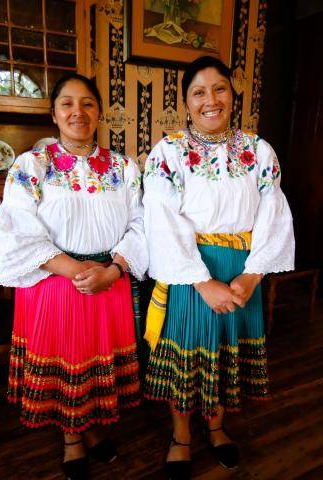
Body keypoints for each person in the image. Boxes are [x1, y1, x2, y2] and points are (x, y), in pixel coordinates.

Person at [0, 73, 148, 480]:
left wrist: (114, 270)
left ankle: (88, 428)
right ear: (54, 113)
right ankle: (73, 437)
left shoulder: (124, 167)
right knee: (67, 362)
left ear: (99, 111)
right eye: (68, 104)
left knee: (92, 363)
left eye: (88, 103)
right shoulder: (32, 164)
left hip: (109, 281)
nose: (78, 112)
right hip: (55, 281)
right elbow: (17, 227)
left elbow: (142, 224)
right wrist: (75, 269)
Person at [142, 55, 294, 480]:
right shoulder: (169, 152)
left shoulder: (258, 149)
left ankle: (217, 427)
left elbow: (273, 215)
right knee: (187, 358)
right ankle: (181, 437)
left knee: (225, 355)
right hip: (190, 273)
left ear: (232, 93)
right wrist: (203, 282)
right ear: (186, 102)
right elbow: (161, 220)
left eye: (220, 88)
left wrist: (251, 275)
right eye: (199, 92)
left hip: (244, 271)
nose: (211, 99)